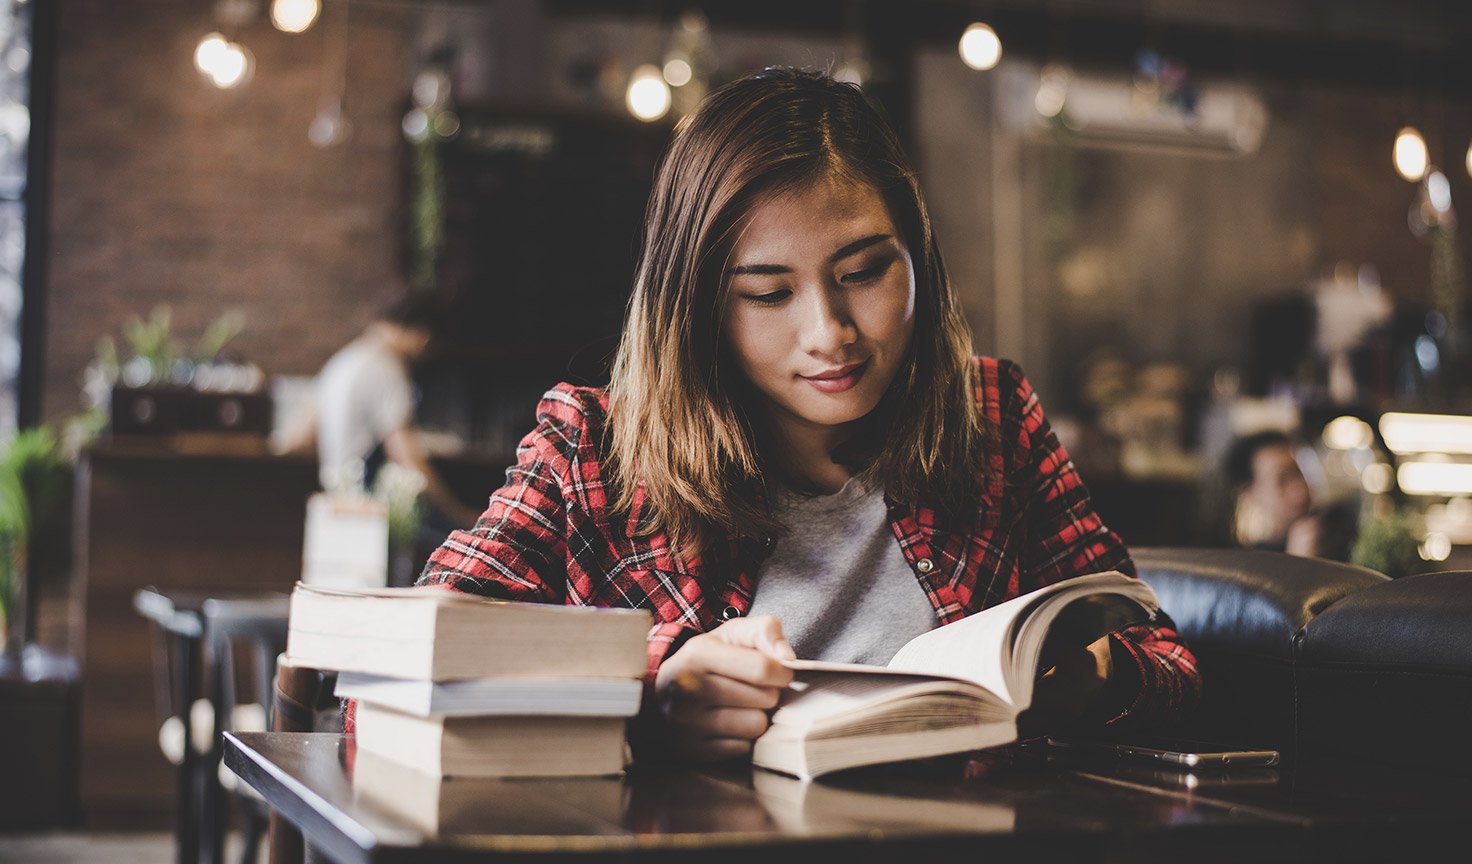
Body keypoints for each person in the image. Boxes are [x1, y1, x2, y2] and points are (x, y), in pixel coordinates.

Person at [401, 67, 1200, 761]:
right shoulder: (592, 452)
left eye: (864, 272)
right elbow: (407, 673)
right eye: (769, 294)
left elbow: (1171, 668)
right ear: (699, 307)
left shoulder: (991, 417)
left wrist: (1096, 679)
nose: (830, 335)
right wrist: (653, 687)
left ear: (917, 256)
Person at [277, 293, 482, 533]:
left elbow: (297, 437)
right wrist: (459, 514)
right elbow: (408, 461)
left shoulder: (343, 360)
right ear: (423, 337)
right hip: (368, 514)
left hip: (334, 505)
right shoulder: (388, 367)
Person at [1223, 430, 1353, 560]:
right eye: (1282, 481)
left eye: (1299, 472)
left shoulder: (1342, 530)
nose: (1299, 488)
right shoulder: (1253, 564)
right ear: (1249, 494)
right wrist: (1299, 562)